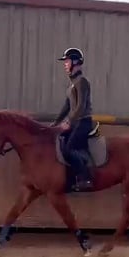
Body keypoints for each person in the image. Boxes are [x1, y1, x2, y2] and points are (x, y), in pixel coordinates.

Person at [51, 47, 94, 191]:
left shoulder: (82, 82)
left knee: (69, 149)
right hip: (75, 122)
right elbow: (66, 107)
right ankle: (69, 181)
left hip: (83, 122)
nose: (65, 64)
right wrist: (55, 125)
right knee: (59, 144)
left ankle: (85, 179)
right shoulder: (71, 85)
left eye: (67, 61)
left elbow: (80, 106)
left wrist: (69, 122)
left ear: (76, 62)